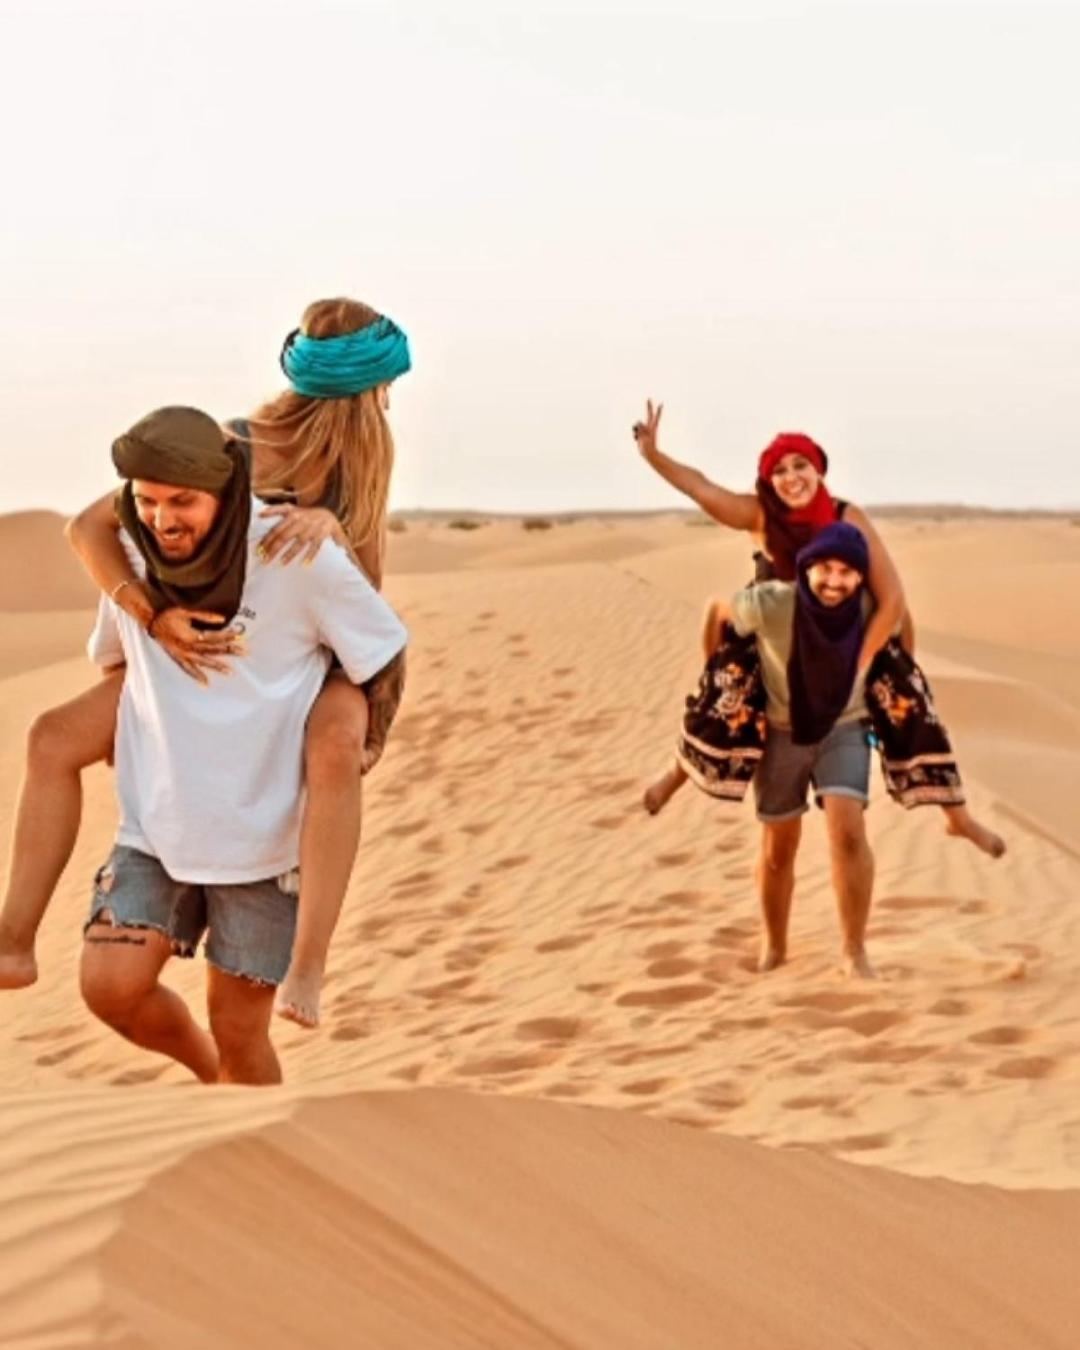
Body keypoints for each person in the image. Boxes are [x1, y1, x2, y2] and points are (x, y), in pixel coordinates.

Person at [0, 298, 411, 1023]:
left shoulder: (359, 473)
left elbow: (365, 599)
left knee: (337, 745)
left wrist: (334, 530)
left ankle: (307, 969)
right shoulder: (228, 447)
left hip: (309, 656)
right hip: (190, 639)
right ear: (369, 391)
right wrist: (148, 613)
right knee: (53, 737)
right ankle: (13, 939)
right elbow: (89, 526)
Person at [78, 406, 407, 1084]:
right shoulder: (133, 560)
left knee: (238, 1028)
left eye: (183, 501)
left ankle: (256, 1147)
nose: (164, 519)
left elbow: (383, 649)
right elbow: (112, 658)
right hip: (158, 828)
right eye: (147, 501)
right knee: (109, 988)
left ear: (226, 492)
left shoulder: (295, 551)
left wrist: (367, 735)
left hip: (264, 840)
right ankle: (208, 1079)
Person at [633, 401, 1004, 858]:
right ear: (769, 481)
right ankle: (676, 775)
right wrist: (654, 456)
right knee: (720, 695)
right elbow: (702, 488)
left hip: (847, 636)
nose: (791, 476)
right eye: (780, 470)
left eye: (800, 465)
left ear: (819, 470)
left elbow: (894, 602)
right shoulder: (760, 516)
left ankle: (958, 818)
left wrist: (868, 661)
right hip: (773, 635)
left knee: (912, 701)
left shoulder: (847, 516)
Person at [722, 522, 880, 976]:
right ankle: (774, 945)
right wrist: (720, 688)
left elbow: (901, 623)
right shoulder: (774, 603)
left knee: (848, 831)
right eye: (825, 569)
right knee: (778, 848)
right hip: (780, 732)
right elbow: (719, 612)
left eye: (848, 572)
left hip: (844, 727)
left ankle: (854, 951)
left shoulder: (869, 607)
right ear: (806, 570)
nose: (835, 581)